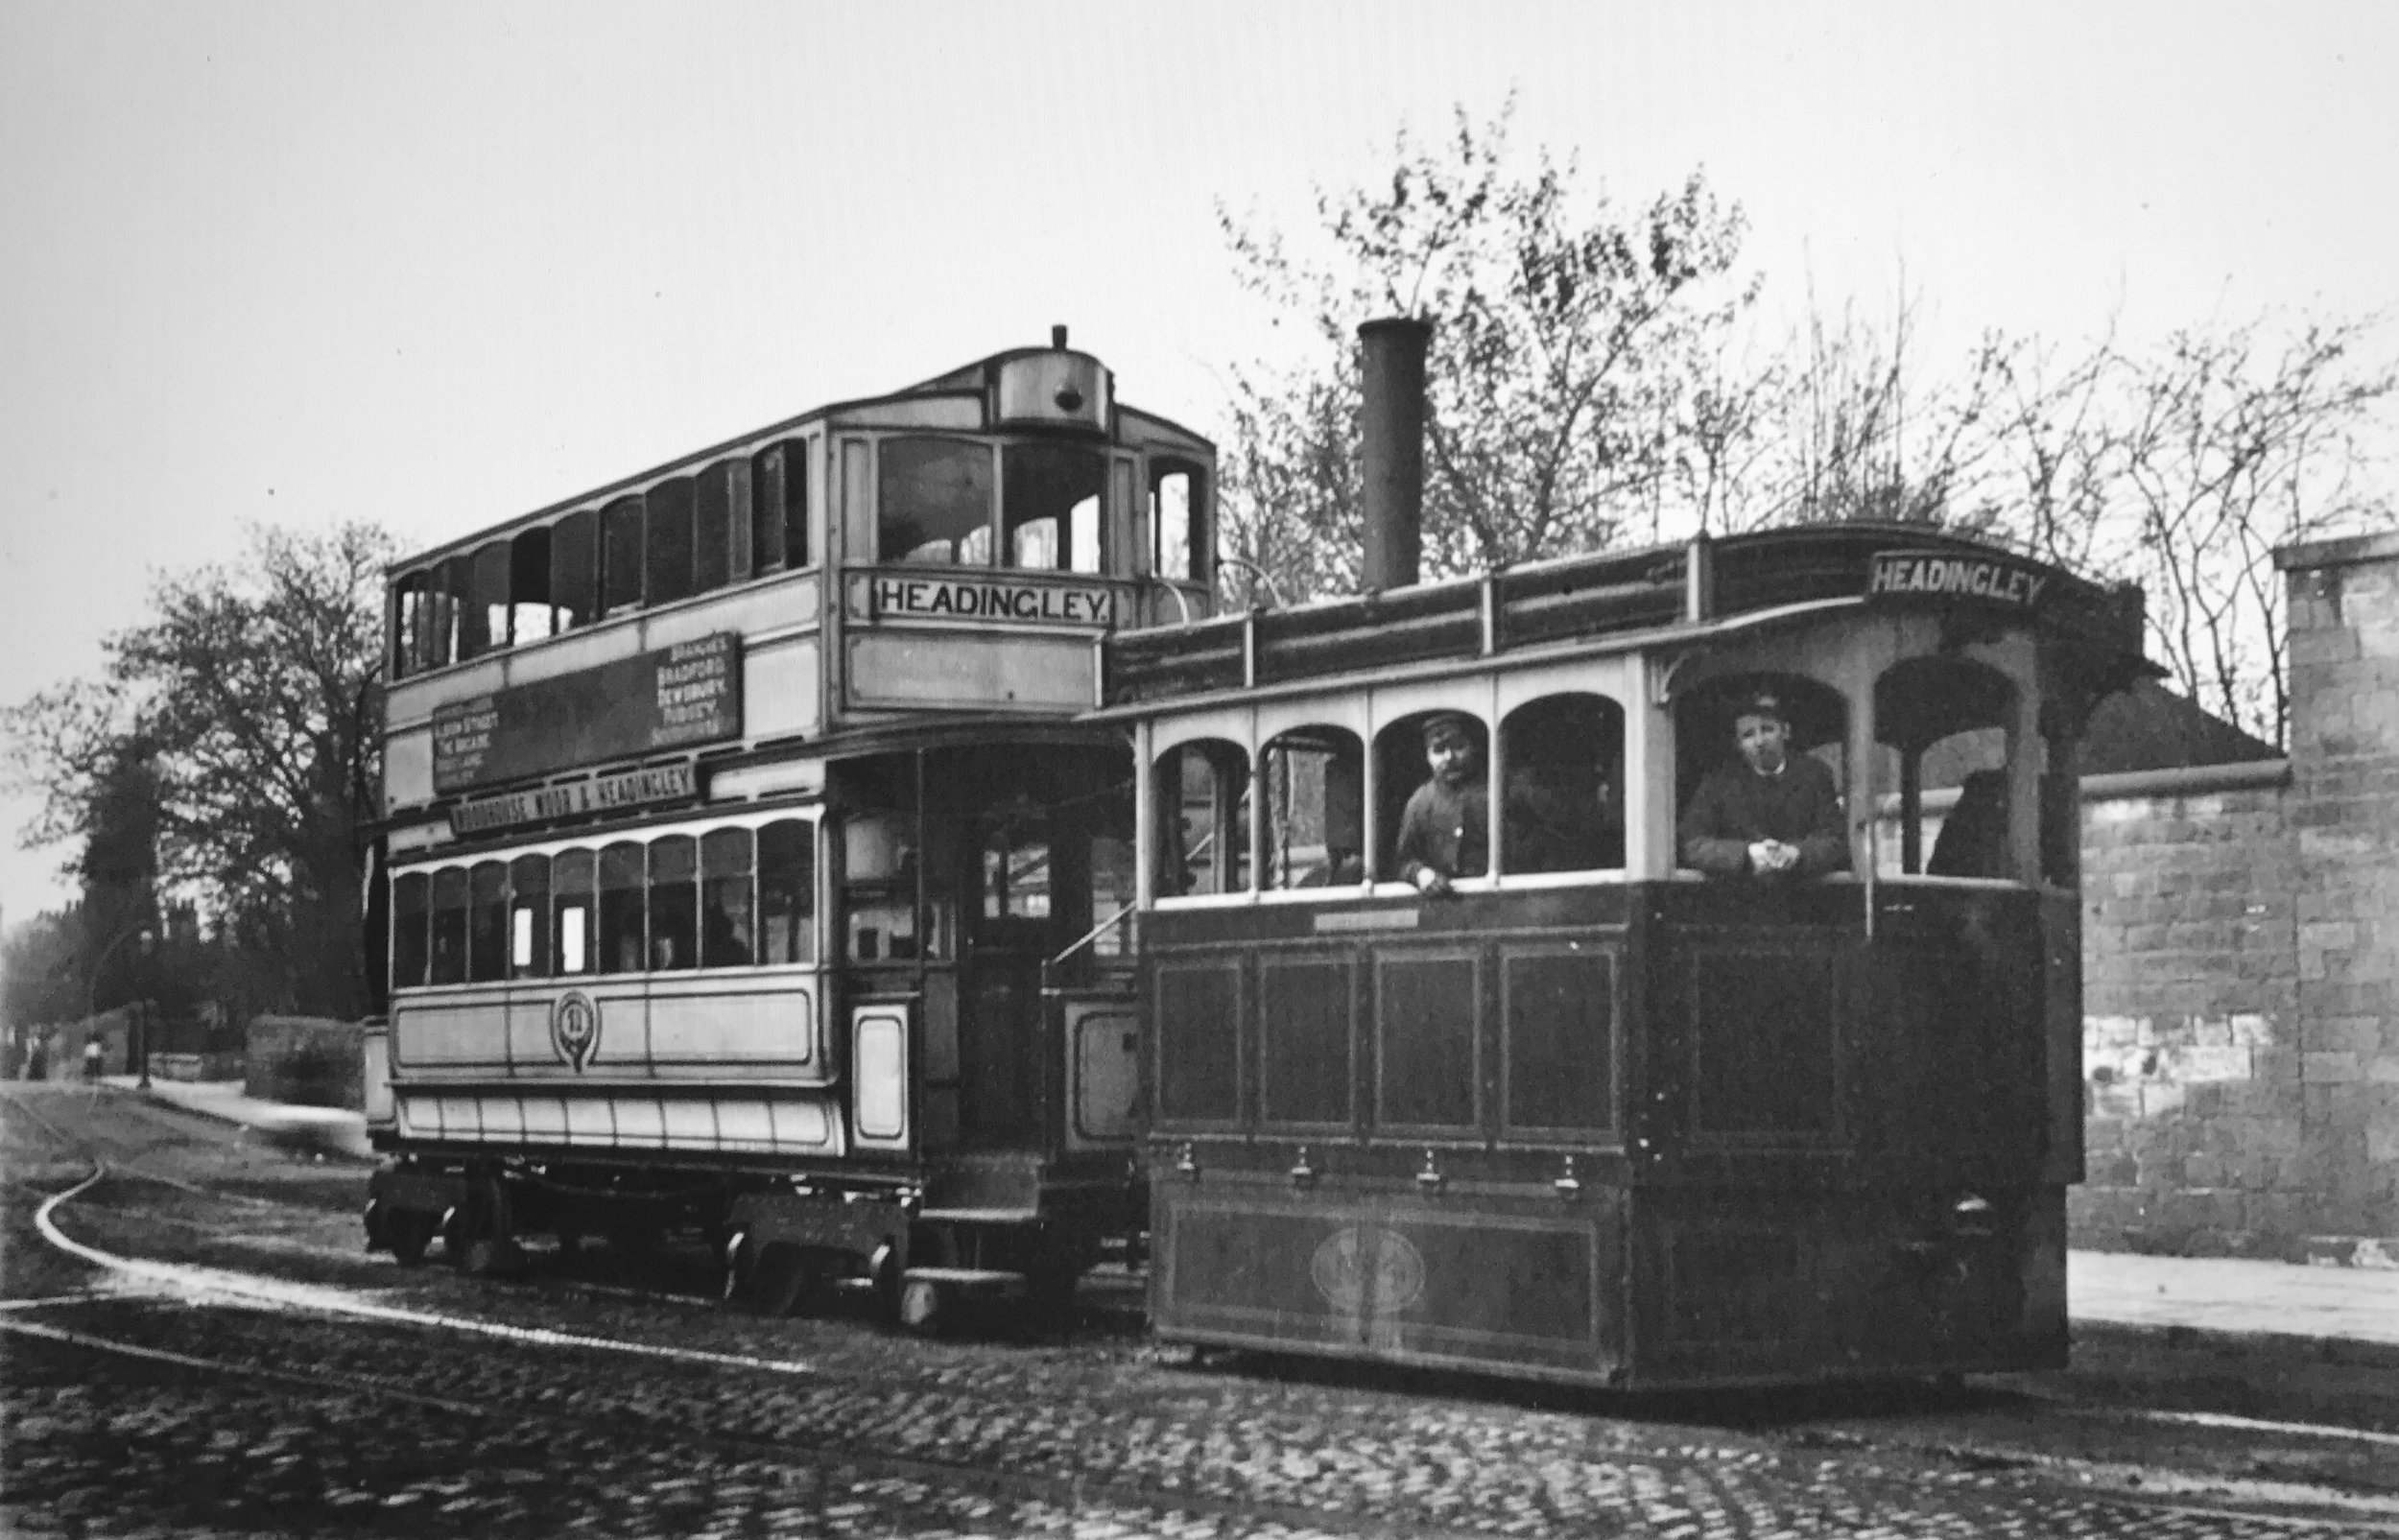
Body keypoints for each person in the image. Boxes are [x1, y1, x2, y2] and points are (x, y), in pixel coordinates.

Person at [1678, 689, 1849, 879]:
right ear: (1738, 744)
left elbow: (1835, 839)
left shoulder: (1815, 775)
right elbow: (1693, 844)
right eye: (1748, 735)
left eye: (1767, 730)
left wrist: (1796, 853)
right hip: (1737, 893)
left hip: (1804, 892)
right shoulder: (1718, 782)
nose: (1759, 742)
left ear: (1786, 732)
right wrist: (1748, 853)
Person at [1394, 713, 1489, 896]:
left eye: (1458, 747)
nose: (1449, 757)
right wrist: (1420, 874)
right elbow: (1403, 861)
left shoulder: (1497, 792)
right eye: (1439, 750)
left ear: (1472, 747)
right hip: (1442, 904)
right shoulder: (1420, 803)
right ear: (1428, 756)